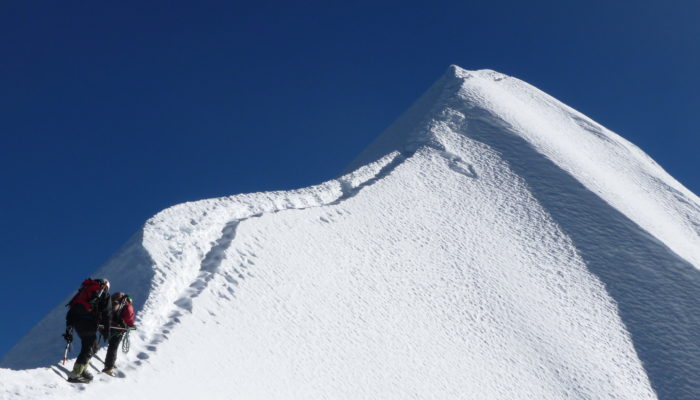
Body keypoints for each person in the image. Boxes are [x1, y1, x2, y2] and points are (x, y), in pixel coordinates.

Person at [64, 278, 111, 383]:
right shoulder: (103, 293)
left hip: (77, 322)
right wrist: (106, 331)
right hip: (88, 322)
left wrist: (69, 325)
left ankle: (83, 369)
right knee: (89, 347)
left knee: (93, 346)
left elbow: (72, 308)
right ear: (105, 286)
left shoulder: (83, 292)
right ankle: (75, 374)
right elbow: (106, 314)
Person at [101, 292, 135, 376]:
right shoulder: (127, 305)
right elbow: (129, 317)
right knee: (113, 346)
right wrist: (131, 325)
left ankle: (110, 362)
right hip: (117, 328)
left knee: (111, 344)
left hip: (104, 326)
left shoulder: (111, 302)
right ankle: (108, 367)